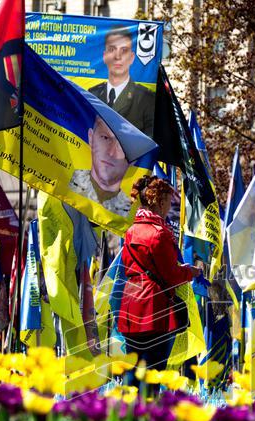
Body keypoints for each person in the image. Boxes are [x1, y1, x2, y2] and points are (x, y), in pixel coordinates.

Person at [118, 175, 203, 376]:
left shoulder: (131, 230)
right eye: (168, 201)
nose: (169, 207)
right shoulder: (160, 232)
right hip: (154, 308)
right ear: (160, 201)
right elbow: (171, 275)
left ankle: (130, 407)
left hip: (131, 304)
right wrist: (189, 271)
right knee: (153, 374)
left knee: (133, 373)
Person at [88, 28, 154, 136]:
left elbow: (150, 144)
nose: (117, 56)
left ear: (132, 58)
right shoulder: (92, 94)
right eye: (112, 49)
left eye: (124, 50)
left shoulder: (146, 98)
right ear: (104, 56)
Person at [69, 116, 133, 218]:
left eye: (122, 146)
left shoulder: (133, 213)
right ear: (91, 137)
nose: (111, 152)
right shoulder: (62, 184)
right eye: (105, 137)